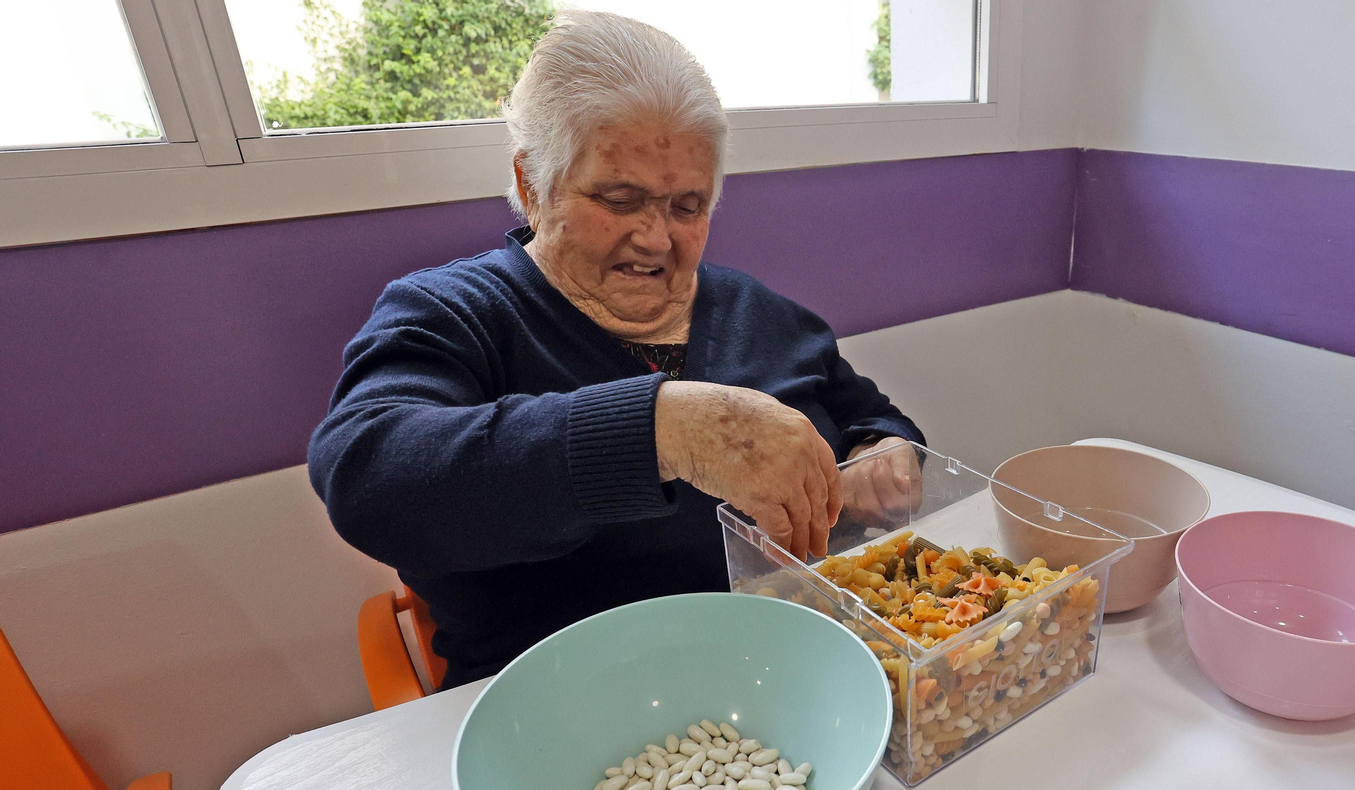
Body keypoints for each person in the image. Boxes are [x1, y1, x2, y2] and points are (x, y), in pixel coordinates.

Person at [308, 10, 924, 688]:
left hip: (790, 672)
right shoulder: (453, 313)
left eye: (687, 207)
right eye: (620, 199)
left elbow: (872, 417)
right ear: (532, 185)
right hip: (560, 703)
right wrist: (664, 429)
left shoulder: (759, 310)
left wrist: (882, 454)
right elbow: (368, 478)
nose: (657, 238)